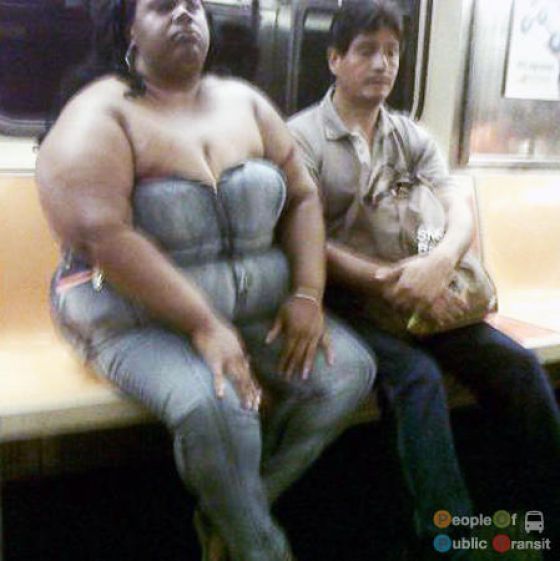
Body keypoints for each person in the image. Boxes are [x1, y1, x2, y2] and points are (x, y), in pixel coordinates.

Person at [35, 1, 376, 560]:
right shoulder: (101, 113)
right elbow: (102, 235)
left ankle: (234, 513)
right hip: (131, 317)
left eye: (193, 4)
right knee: (219, 406)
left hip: (247, 310)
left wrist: (307, 294)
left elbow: (302, 197)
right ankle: (260, 547)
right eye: (162, 6)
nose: (184, 15)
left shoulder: (245, 102)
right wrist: (203, 324)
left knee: (347, 374)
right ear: (128, 27)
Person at [288, 0, 560, 558]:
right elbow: (307, 239)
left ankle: (546, 509)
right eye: (367, 50)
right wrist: (392, 281)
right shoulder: (302, 139)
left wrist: (437, 266)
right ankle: (447, 534)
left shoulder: (409, 136)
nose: (382, 64)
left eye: (392, 52)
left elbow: (457, 207)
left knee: (517, 366)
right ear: (335, 59)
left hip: (421, 291)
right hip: (346, 301)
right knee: (418, 378)